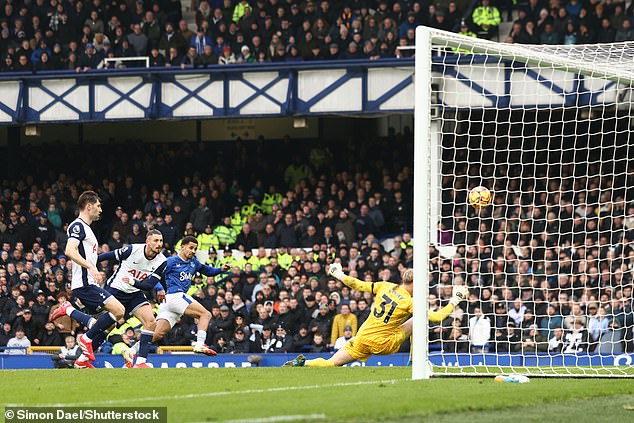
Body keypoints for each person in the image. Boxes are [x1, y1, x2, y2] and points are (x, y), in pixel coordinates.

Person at [283, 264, 468, 367]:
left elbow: (357, 284)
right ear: (415, 282)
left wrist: (338, 274)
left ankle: (304, 364)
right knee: (416, 321)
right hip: (383, 343)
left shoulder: (384, 286)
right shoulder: (410, 302)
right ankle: (414, 363)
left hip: (363, 337)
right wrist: (455, 300)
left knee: (331, 363)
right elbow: (438, 318)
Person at [50, 191, 125, 368]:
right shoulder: (78, 226)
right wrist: (91, 268)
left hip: (88, 283)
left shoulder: (88, 229)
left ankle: (82, 360)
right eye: (98, 206)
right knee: (119, 311)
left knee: (107, 324)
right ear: (89, 206)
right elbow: (69, 250)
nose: (100, 209)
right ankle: (85, 338)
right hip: (83, 284)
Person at [144, 236, 230, 354]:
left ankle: (132, 350)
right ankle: (199, 344)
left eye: (195, 249)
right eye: (191, 248)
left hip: (169, 303)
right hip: (175, 296)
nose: (193, 251)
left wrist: (221, 269)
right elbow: (152, 275)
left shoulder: (193, 262)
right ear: (182, 247)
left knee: (157, 334)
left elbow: (208, 271)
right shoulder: (170, 261)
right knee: (205, 314)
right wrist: (159, 288)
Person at [95, 229, 167, 368]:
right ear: (147, 242)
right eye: (156, 240)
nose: (159, 244)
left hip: (134, 292)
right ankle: (85, 354)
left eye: (161, 241)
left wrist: (134, 282)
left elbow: (149, 285)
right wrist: (90, 265)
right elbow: (107, 256)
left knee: (151, 322)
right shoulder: (133, 249)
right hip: (116, 289)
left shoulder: (162, 261)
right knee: (108, 326)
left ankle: (140, 363)